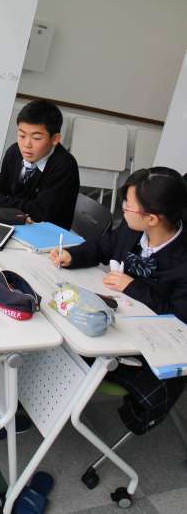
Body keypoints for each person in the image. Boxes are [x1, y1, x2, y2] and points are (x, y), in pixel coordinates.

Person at [50, 167, 187, 435]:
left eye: (128, 206)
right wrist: (73, 256)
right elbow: (103, 246)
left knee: (68, 341)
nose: (122, 209)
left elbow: (179, 317)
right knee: (58, 321)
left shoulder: (182, 261)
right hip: (113, 318)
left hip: (149, 342)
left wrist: (132, 286)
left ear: (152, 219)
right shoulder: (133, 228)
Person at [0, 100, 79, 228]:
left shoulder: (65, 166)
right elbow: (5, 183)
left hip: (46, 234)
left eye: (36, 138)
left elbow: (39, 213)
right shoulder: (15, 151)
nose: (26, 144)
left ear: (55, 139)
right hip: (15, 225)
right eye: (22, 135)